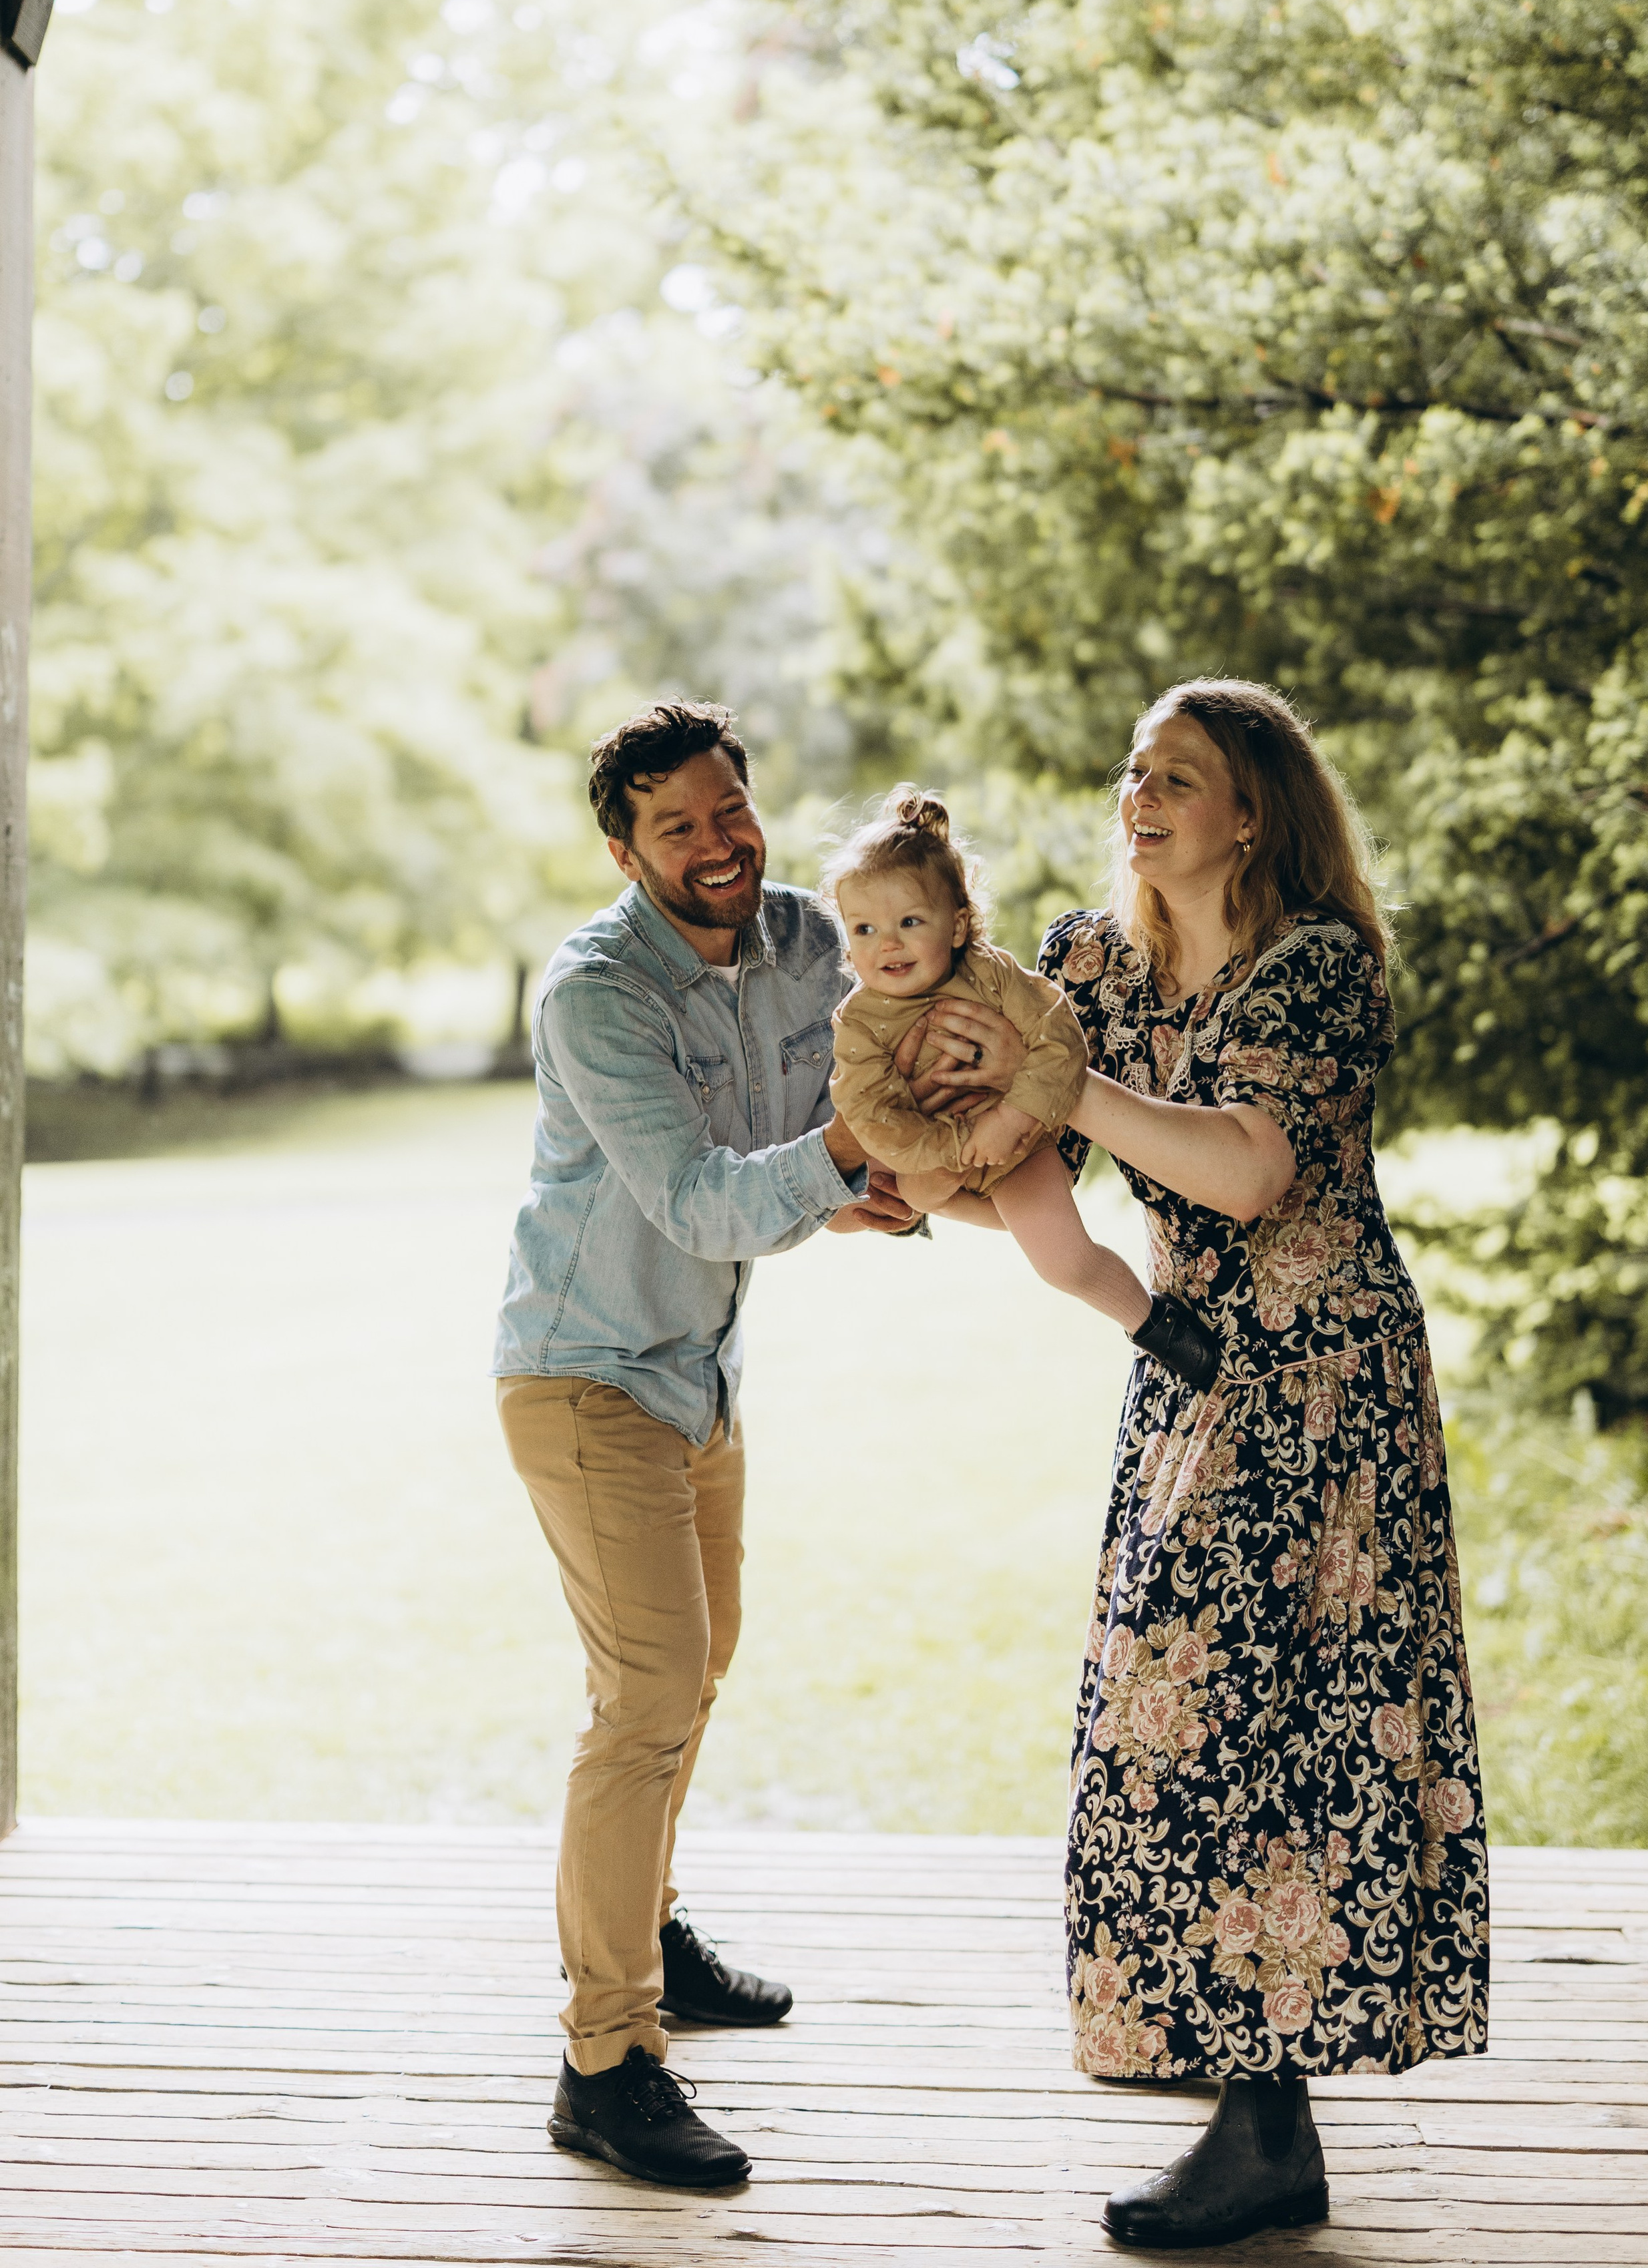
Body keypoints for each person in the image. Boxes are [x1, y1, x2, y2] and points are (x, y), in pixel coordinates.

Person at [907, 680, 1488, 2250]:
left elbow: (1241, 1164)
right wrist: (911, 1167)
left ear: (1251, 808)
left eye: (1178, 774)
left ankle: (1266, 2123)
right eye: (1130, 770)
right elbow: (1038, 1169)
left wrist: (1057, 1078)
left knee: (1287, 1722)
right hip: (1187, 1371)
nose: (1138, 793)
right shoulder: (1088, 959)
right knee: (1165, 1714)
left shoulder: (1318, 965)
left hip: (1320, 1382)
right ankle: (1229, 2052)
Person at [491, 698, 913, 2195]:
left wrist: (916, 1134)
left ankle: (648, 1933)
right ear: (625, 849)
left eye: (728, 809)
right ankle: (603, 2062)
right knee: (647, 1694)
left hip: (700, 1372)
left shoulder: (807, 939)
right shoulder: (593, 995)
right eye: (677, 825)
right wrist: (849, 1166)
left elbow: (883, 1037)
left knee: (699, 1660)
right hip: (586, 1370)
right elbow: (696, 1197)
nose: (718, 843)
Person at [825, 784, 1217, 1379]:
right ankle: (959, 1193)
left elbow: (1061, 1039)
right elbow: (868, 1111)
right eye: (864, 929)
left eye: (909, 921)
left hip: (1020, 1142)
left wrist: (1009, 1120)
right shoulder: (859, 1021)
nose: (889, 944)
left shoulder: (991, 975)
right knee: (915, 1189)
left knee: (1061, 1260)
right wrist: (954, 1147)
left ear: (957, 927)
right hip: (937, 1153)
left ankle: (1152, 1324)